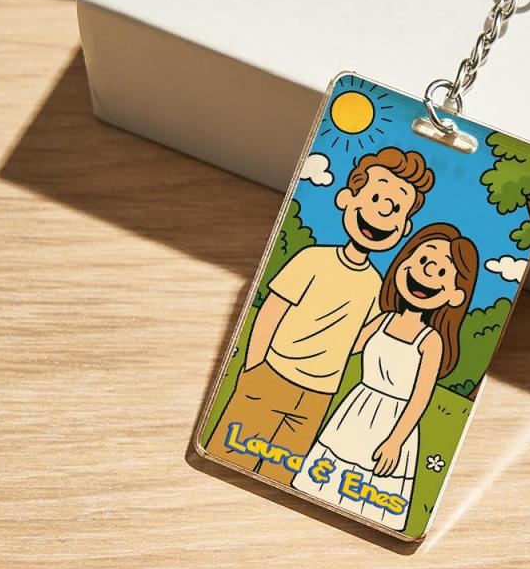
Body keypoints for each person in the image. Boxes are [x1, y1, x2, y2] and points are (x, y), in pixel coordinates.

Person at [205, 147, 434, 484]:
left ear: (404, 228)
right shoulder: (313, 259)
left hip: (319, 396)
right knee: (230, 453)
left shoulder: (376, 284)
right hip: (273, 375)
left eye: (395, 208)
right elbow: (271, 311)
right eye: (375, 198)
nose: (383, 212)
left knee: (281, 475)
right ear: (346, 199)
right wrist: (253, 368)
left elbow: (360, 341)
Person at [292, 223, 478, 530]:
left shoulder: (430, 341)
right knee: (326, 476)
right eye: (423, 260)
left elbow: (420, 398)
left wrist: (395, 441)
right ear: (403, 262)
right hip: (356, 410)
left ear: (455, 295)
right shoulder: (384, 320)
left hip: (393, 421)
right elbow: (348, 346)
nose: (427, 272)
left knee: (371, 487)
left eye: (442, 272)